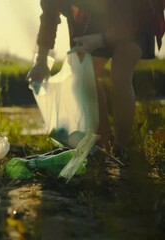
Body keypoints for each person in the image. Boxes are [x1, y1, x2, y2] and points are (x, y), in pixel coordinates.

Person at [26, 0, 165, 159]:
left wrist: (100, 40)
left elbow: (129, 23)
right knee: (84, 72)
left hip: (135, 16)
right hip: (96, 20)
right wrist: (41, 61)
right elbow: (49, 17)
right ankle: (104, 143)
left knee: (120, 72)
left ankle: (120, 148)